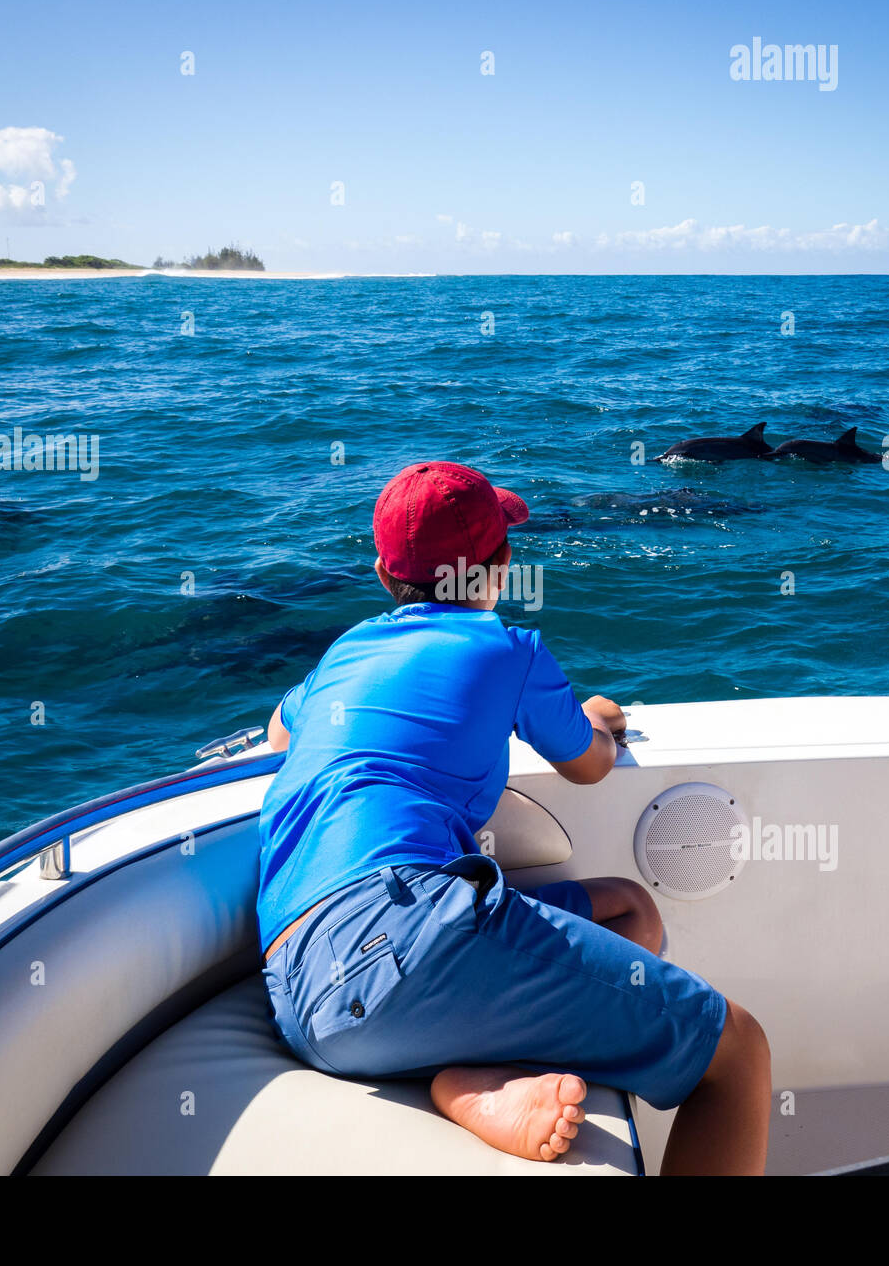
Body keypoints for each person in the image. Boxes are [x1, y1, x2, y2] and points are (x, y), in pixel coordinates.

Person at [258, 460, 770, 1173]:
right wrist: (598, 716)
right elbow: (587, 762)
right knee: (737, 1052)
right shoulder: (509, 649)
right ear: (499, 568)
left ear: (382, 572)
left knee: (629, 913)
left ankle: (471, 1082)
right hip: (405, 933)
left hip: (298, 989)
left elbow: (280, 735)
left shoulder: (345, 654)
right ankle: (478, 1073)